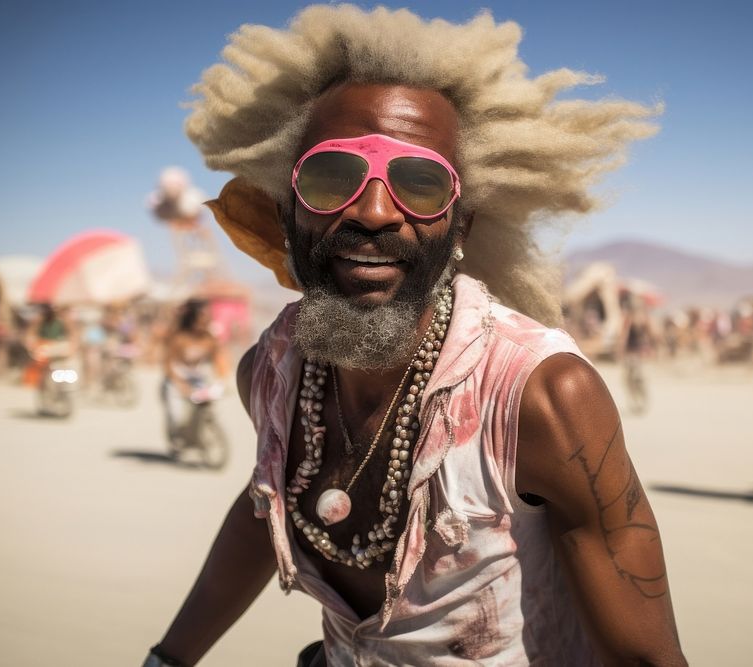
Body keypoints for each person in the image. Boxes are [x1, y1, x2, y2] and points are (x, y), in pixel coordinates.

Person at [146, 6, 685, 666]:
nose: (374, 211)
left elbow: (645, 657)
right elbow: (272, 499)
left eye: (421, 184)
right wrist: (168, 657)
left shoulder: (540, 398)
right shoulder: (273, 372)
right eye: (331, 176)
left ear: (460, 225)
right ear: (289, 210)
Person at [161, 299, 227, 445]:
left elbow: (219, 358)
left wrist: (222, 379)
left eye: (208, 319)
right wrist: (180, 384)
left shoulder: (210, 339)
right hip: (176, 380)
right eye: (202, 319)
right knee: (177, 417)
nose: (205, 323)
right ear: (193, 320)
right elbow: (168, 363)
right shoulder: (179, 338)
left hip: (197, 377)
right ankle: (177, 438)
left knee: (206, 406)